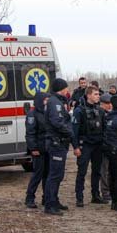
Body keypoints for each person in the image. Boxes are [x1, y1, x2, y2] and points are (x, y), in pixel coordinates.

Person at [42, 78, 74, 215]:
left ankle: (54, 200)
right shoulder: (54, 103)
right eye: (66, 88)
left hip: (60, 142)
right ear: (61, 88)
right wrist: (70, 131)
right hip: (56, 142)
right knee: (54, 175)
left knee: (58, 175)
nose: (68, 90)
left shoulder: (58, 101)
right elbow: (57, 122)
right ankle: (49, 205)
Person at [71, 86, 106, 207]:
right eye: (96, 94)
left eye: (98, 94)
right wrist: (75, 147)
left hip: (97, 145)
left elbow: (104, 129)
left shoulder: (100, 111)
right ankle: (79, 197)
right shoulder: (79, 111)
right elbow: (74, 131)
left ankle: (95, 195)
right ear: (89, 95)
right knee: (82, 172)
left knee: (97, 171)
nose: (98, 96)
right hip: (84, 145)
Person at [23, 90, 50, 208]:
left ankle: (47, 197)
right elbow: (30, 133)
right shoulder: (32, 114)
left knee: (48, 174)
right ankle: (30, 197)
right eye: (45, 100)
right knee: (37, 174)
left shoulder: (47, 113)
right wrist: (33, 148)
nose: (46, 103)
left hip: (48, 148)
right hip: (38, 149)